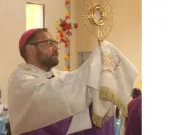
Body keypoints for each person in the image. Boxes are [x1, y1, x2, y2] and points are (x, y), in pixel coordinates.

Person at [8, 28, 139, 135]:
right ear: (30, 49)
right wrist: (92, 67)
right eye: (49, 43)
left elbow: (75, 88)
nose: (56, 47)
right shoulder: (21, 81)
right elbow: (54, 94)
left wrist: (101, 77)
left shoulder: (60, 75)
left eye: (55, 42)